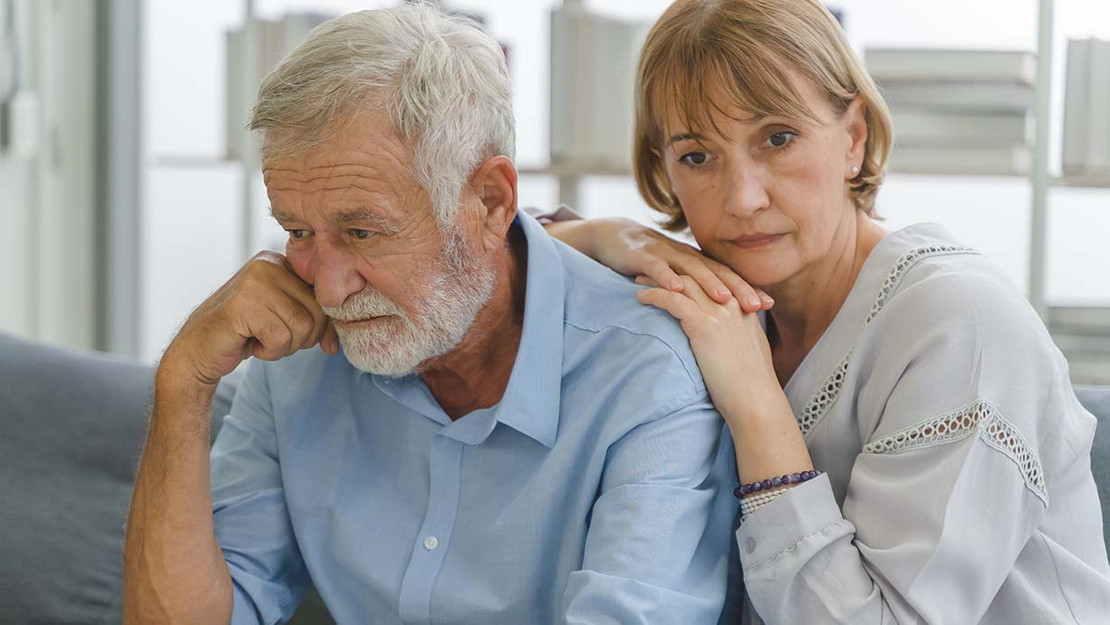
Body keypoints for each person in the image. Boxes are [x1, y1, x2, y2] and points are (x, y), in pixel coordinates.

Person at [121, 5, 739, 624]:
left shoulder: (647, 375)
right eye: (298, 231)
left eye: (363, 232)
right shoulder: (295, 361)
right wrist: (183, 381)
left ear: (491, 203)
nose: (330, 290)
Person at [544, 0, 1110, 622]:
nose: (743, 198)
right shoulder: (720, 302)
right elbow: (474, 243)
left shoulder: (962, 324)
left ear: (853, 139)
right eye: (697, 156)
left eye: (778, 139)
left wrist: (756, 402)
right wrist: (606, 236)